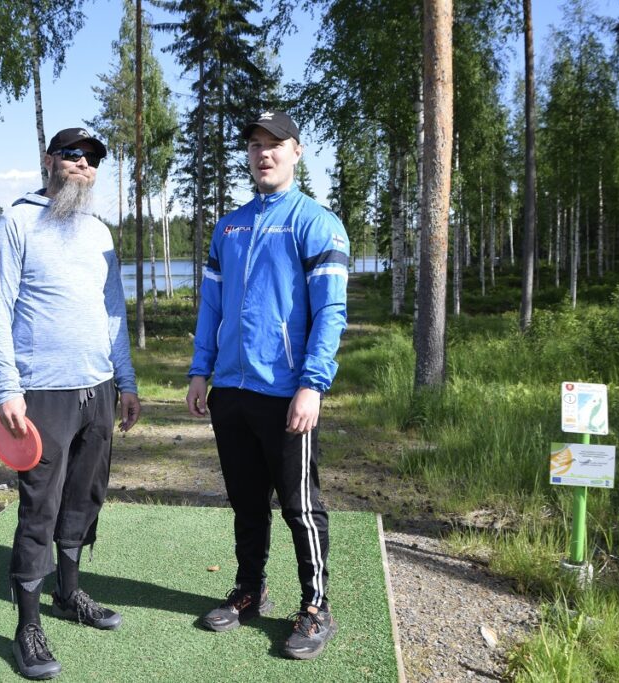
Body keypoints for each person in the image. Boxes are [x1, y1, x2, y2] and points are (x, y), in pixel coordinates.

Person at [186, 110, 349, 660]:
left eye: (274, 144)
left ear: (296, 151)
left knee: (300, 506)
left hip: (287, 394)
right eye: (255, 145)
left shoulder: (316, 222)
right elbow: (210, 305)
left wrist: (313, 384)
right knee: (247, 503)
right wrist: (199, 370)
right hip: (230, 390)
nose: (263, 154)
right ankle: (250, 590)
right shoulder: (228, 225)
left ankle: (316, 606)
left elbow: (330, 314)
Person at [0, 127, 140, 680]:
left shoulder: (100, 232)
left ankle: (68, 594)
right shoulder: (18, 223)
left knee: (84, 498)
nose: (82, 164)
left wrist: (126, 381)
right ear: (49, 160)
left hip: (97, 391)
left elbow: (113, 313)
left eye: (93, 158)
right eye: (72, 154)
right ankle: (27, 625)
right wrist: (7, 388)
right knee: (39, 509)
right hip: (42, 396)